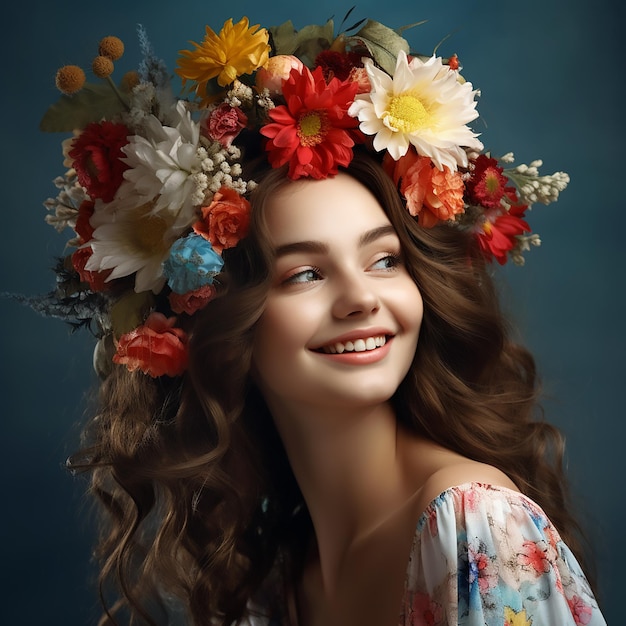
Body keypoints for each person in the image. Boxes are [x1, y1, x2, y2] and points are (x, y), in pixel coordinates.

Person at [35, 12, 605, 626]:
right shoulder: (273, 572)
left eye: (385, 260)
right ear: (213, 318)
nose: (361, 298)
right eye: (305, 273)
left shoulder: (478, 525)